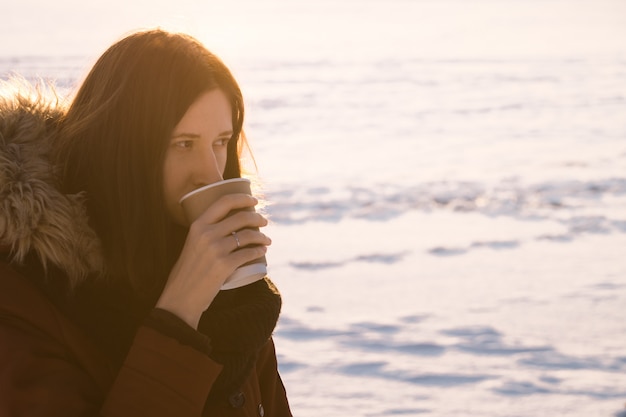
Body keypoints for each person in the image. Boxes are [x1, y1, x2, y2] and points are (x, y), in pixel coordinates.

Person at [0, 29, 292, 416]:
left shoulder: (235, 295)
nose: (210, 174)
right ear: (121, 150)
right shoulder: (28, 295)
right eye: (183, 144)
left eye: (220, 141)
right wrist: (179, 313)